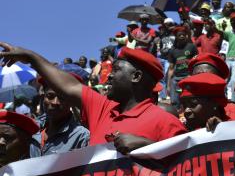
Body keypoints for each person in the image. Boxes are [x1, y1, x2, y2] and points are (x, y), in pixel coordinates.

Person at [0, 43, 187, 155]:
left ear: (136, 77)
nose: (109, 76)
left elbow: (189, 173)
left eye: (116, 70)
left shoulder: (166, 123)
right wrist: (30, 57)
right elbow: (69, 85)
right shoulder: (102, 108)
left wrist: (148, 147)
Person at [30, 74, 90, 157]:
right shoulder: (31, 130)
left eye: (63, 97)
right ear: (43, 97)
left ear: (72, 101)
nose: (55, 102)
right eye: (50, 96)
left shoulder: (81, 136)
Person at [188, 53, 235, 120]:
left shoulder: (234, 112)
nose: (202, 81)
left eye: (208, 77)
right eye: (197, 77)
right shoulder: (187, 111)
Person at [167, 26, 198, 110]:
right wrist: (168, 86)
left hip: (188, 77)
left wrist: (192, 76)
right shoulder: (172, 50)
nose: (181, 36)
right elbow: (171, 68)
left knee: (189, 101)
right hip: (176, 79)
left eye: (183, 35)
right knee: (174, 102)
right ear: (176, 37)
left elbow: (196, 63)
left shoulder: (191, 47)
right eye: (179, 35)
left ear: (186, 36)